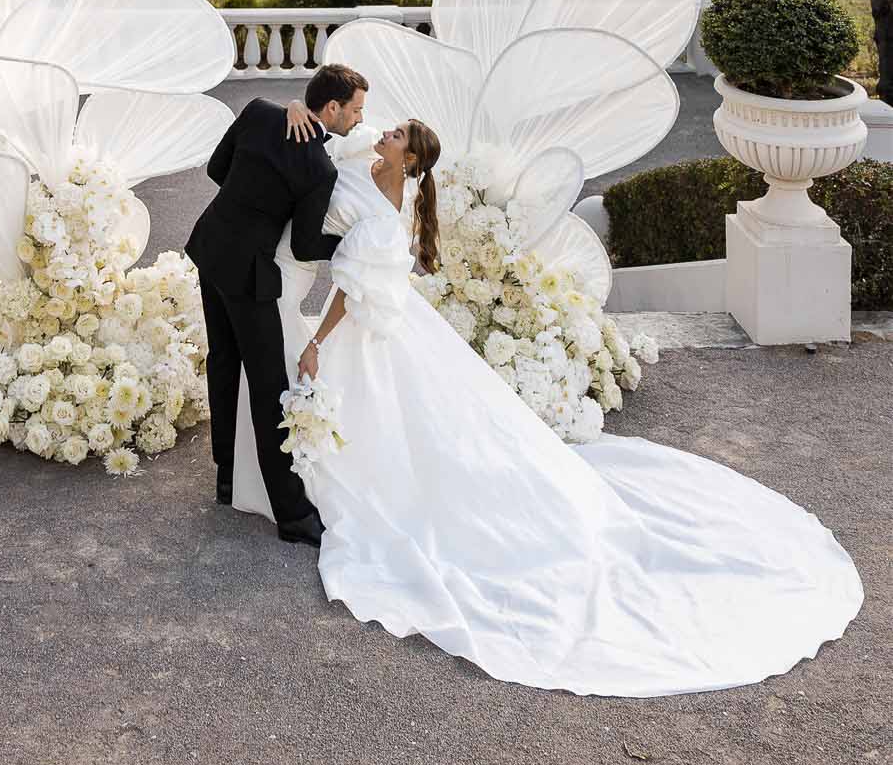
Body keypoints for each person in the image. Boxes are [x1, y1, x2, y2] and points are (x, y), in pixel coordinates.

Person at [280, 116, 863, 697]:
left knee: (403, 424)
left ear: (410, 161)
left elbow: (353, 292)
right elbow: (333, 149)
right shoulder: (379, 172)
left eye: (399, 135)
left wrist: (313, 343)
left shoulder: (387, 212)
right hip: (397, 324)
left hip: (373, 327)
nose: (386, 132)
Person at [185, 64, 368, 545]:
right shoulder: (319, 167)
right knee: (271, 389)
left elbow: (216, 169)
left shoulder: (260, 110)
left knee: (223, 361)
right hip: (249, 273)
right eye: (354, 111)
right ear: (331, 109)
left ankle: (226, 475)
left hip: (211, 246)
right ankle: (291, 515)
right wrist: (352, 245)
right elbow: (307, 246)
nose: (358, 121)